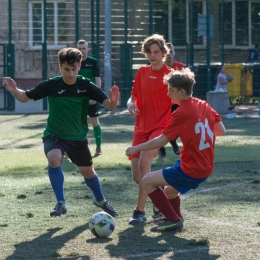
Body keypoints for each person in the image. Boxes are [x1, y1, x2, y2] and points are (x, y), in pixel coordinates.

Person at [2, 47, 119, 217]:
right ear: (60, 67)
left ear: (79, 66)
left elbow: (109, 105)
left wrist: (114, 101)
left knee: (88, 172)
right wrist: (14, 90)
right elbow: (25, 97)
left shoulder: (86, 85)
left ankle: (100, 200)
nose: (70, 74)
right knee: (54, 158)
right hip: (54, 134)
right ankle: (61, 203)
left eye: (74, 69)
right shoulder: (52, 84)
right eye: (66, 69)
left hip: (78, 137)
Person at [126, 68, 226, 232]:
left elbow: (162, 140)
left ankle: (172, 219)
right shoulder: (203, 104)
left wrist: (135, 148)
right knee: (170, 191)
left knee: (147, 181)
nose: (168, 94)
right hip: (206, 166)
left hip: (192, 168)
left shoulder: (181, 112)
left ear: (181, 91)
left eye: (171, 90)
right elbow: (221, 130)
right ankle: (176, 218)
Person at [126, 34, 172, 224]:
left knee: (145, 164)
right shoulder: (142, 72)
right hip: (141, 128)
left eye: (156, 52)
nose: (153, 55)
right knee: (138, 175)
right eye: (149, 52)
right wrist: (130, 104)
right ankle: (158, 197)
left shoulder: (171, 75)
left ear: (163, 53)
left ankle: (139, 212)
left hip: (160, 127)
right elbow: (133, 97)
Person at [77, 39, 103, 156]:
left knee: (94, 121)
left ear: (88, 49)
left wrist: (95, 96)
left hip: (90, 97)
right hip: (77, 98)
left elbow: (98, 80)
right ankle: (70, 148)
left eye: (83, 48)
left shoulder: (93, 62)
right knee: (74, 122)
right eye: (79, 48)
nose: (82, 50)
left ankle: (98, 148)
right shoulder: (74, 62)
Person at [158, 42, 184, 159]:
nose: (169, 54)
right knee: (160, 125)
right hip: (162, 102)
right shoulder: (159, 67)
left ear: (174, 53)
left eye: (171, 52)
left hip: (176, 101)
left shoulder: (180, 66)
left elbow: (185, 83)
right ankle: (161, 149)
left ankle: (173, 140)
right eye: (167, 52)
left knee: (179, 123)